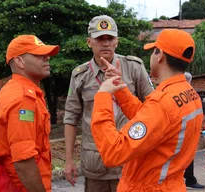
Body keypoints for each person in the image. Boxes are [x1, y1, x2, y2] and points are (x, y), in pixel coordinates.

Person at [90, 29, 203, 191]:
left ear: (160, 56)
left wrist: (103, 95)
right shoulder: (188, 93)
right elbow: (151, 121)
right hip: (170, 184)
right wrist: (120, 89)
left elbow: (113, 152)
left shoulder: (162, 102)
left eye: (153, 51)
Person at [63, 15, 154, 192]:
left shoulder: (134, 67)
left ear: (116, 41)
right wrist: (68, 160)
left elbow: (152, 107)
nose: (105, 43)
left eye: (110, 38)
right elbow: (71, 117)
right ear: (89, 42)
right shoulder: (80, 75)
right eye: (100, 39)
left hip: (130, 160)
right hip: (95, 163)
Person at [0, 35, 59, 192]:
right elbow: (23, 160)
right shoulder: (23, 99)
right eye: (39, 55)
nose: (47, 58)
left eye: (46, 54)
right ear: (20, 61)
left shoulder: (13, 89)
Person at [183, 72, 205, 190]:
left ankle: (189, 178)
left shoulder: (185, 93)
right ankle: (189, 179)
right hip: (188, 131)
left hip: (185, 130)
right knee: (188, 155)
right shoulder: (192, 93)